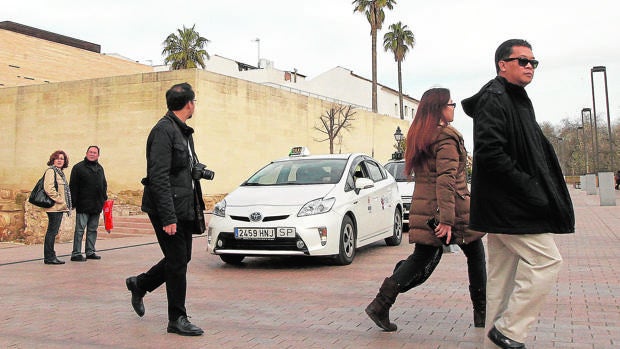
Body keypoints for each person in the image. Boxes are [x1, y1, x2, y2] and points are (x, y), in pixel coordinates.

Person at [461, 39, 575, 349]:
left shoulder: (514, 98)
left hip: (506, 208)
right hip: (511, 208)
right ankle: (509, 330)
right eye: (522, 61)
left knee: (500, 282)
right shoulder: (495, 99)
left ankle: (493, 343)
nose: (529, 67)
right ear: (502, 64)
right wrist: (530, 187)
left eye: (533, 62)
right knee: (547, 261)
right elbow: (491, 154)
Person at [365, 87, 486, 332]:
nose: (453, 108)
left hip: (429, 208)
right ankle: (482, 313)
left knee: (422, 258)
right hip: (451, 212)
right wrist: (447, 220)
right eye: (450, 104)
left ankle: (381, 304)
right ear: (439, 108)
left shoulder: (421, 135)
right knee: (474, 256)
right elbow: (446, 179)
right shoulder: (445, 137)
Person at [126, 82, 206, 336]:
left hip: (183, 204)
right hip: (166, 208)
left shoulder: (182, 131)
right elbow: (158, 176)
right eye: (194, 102)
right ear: (189, 104)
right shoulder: (163, 131)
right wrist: (168, 217)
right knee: (177, 261)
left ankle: (139, 284)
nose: (195, 105)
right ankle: (177, 318)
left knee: (181, 258)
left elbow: (176, 169)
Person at [69, 145, 108, 261]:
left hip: (96, 205)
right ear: (86, 153)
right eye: (90, 152)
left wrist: (104, 199)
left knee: (92, 230)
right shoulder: (78, 168)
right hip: (83, 204)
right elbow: (73, 186)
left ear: (98, 155)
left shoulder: (100, 168)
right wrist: (73, 203)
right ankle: (76, 253)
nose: (92, 154)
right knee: (80, 230)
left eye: (94, 153)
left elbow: (104, 185)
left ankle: (90, 251)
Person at [42, 150, 73, 265]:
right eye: (57, 158)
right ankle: (49, 257)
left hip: (59, 207)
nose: (60, 160)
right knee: (52, 232)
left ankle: (50, 256)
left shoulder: (60, 172)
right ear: (53, 160)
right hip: (54, 207)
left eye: (62, 158)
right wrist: (61, 200)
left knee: (53, 232)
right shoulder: (51, 171)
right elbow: (49, 188)